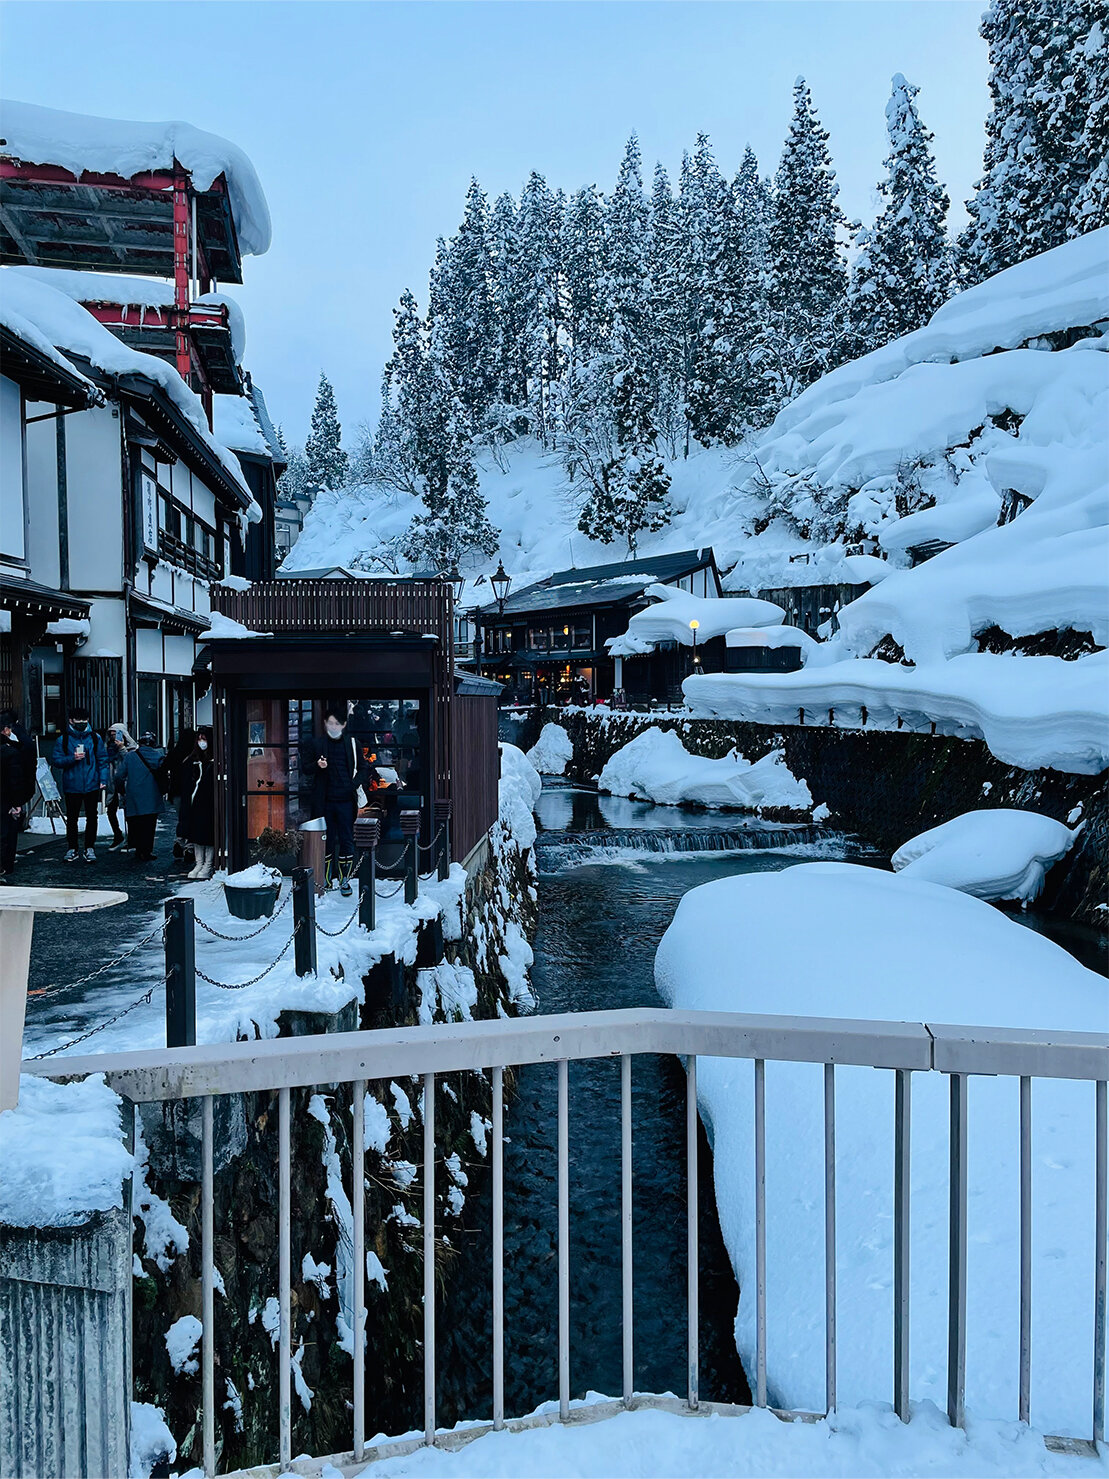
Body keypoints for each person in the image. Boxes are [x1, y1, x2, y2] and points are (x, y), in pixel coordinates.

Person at [301, 705, 371, 897]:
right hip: (325, 802)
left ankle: (344, 880)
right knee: (327, 840)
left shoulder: (353, 744)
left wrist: (352, 785)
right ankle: (326, 878)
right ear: (325, 724)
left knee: (347, 840)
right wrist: (318, 765)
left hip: (346, 801)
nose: (333, 727)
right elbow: (305, 768)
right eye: (330, 723)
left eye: (337, 723)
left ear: (344, 725)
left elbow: (365, 769)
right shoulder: (317, 745)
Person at [52, 706, 111, 862]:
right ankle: (72, 848)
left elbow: (102, 760)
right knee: (72, 818)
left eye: (84, 720)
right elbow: (56, 761)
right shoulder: (63, 739)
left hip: (92, 783)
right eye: (79, 720)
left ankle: (89, 847)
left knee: (92, 817)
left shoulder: (94, 738)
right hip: (72, 785)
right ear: (71, 721)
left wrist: (103, 779)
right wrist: (72, 758)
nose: (82, 723)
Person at [117, 729, 166, 863]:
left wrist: (121, 791)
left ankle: (138, 849)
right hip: (152, 795)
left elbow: (119, 776)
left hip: (134, 796)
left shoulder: (130, 756)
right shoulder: (159, 756)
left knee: (136, 824)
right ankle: (147, 850)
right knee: (149, 825)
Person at [0, 711, 29, 879]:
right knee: (4, 834)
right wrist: (17, 803)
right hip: (5, 799)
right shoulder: (10, 752)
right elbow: (15, 780)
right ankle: (3, 866)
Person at [184, 726, 215, 880]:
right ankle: (199, 863)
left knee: (207, 834)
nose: (202, 742)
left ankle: (207, 864)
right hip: (195, 800)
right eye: (199, 739)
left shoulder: (212, 760)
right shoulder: (194, 759)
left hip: (208, 800)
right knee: (197, 834)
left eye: (204, 739)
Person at [105, 723, 129, 850]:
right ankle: (117, 835)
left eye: (116, 734)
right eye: (111, 735)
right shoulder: (108, 748)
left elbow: (129, 761)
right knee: (111, 810)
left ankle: (130, 838)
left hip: (125, 783)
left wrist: (122, 748)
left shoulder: (130, 748)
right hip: (112, 783)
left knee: (128, 812)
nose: (113, 737)